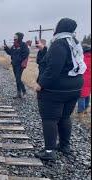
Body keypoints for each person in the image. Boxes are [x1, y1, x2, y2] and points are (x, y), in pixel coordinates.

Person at [34, 18, 86, 160]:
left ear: (60, 27)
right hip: (74, 87)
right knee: (64, 117)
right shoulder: (73, 42)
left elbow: (54, 68)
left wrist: (41, 84)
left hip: (56, 89)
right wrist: (44, 50)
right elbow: (65, 60)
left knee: (50, 119)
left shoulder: (58, 43)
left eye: (56, 24)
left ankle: (49, 152)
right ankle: (64, 146)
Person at [4, 32, 30, 98]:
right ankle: (19, 93)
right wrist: (6, 48)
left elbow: (26, 53)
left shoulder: (23, 45)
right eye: (14, 37)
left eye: (16, 37)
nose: (14, 38)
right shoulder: (14, 45)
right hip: (14, 64)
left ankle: (24, 92)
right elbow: (10, 52)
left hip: (20, 65)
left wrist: (18, 59)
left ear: (19, 37)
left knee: (18, 79)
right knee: (17, 79)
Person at [77, 44, 91, 118]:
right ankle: (86, 108)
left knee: (82, 95)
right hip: (90, 80)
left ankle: (80, 111)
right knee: (87, 93)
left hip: (83, 79)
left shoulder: (82, 58)